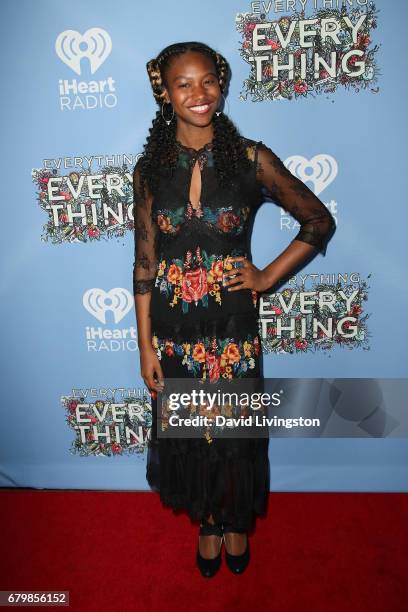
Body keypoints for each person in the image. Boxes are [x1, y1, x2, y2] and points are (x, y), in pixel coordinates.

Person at [132, 41, 336, 577]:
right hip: (175, 332)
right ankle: (207, 521)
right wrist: (144, 345)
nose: (198, 94)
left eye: (207, 81)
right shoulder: (149, 170)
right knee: (191, 432)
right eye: (184, 84)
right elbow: (145, 267)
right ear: (165, 93)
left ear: (220, 86)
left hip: (232, 330)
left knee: (235, 432)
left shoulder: (252, 160)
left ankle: (237, 519)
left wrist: (267, 276)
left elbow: (318, 222)